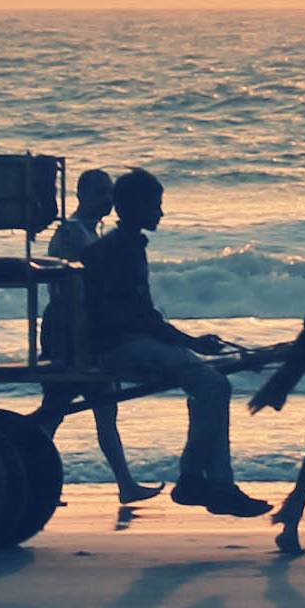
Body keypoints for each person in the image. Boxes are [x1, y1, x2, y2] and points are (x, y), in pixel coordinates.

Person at [82, 169, 268, 516]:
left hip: (128, 340)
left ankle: (214, 482)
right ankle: (197, 477)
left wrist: (189, 343)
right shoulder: (119, 251)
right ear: (134, 206)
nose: (160, 213)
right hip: (120, 347)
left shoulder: (122, 246)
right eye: (155, 205)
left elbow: (142, 316)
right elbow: (138, 318)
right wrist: (192, 342)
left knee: (211, 385)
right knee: (213, 386)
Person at [36, 169, 155, 505]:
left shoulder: (91, 232)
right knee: (56, 408)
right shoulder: (71, 233)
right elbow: (65, 286)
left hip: (90, 329)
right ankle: (41, 480)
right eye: (101, 193)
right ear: (82, 196)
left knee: (106, 407)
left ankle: (126, 484)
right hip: (67, 330)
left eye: (110, 193)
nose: (108, 200)